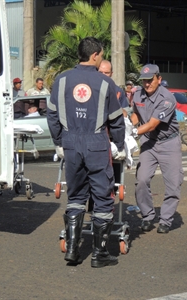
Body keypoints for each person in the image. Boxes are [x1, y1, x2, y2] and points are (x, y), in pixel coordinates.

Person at [47, 37, 126, 268]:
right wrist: (119, 145)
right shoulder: (104, 83)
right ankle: (99, 254)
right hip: (97, 142)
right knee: (102, 197)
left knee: (76, 196)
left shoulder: (61, 81)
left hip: (71, 142)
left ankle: (72, 250)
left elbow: (52, 115)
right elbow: (116, 120)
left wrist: (60, 141)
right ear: (95, 55)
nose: (101, 58)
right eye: (101, 55)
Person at [130, 64, 183, 234]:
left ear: (159, 79)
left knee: (173, 184)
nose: (147, 84)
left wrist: (131, 133)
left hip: (169, 143)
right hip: (149, 142)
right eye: (144, 81)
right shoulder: (137, 94)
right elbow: (136, 113)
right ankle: (147, 215)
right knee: (142, 180)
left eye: (150, 80)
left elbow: (152, 124)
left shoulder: (167, 98)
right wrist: (127, 125)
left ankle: (166, 219)